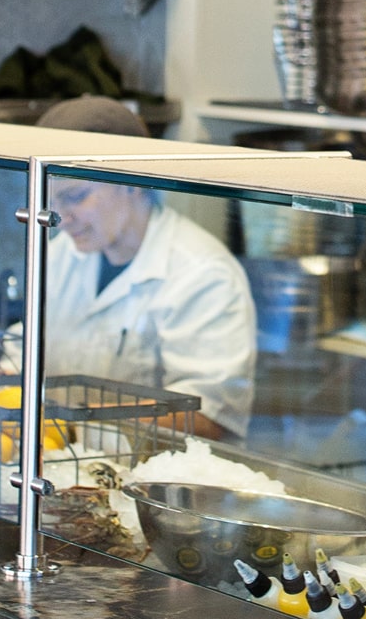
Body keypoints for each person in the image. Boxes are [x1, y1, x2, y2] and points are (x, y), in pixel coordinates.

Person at [34, 96, 255, 440]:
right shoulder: (62, 253)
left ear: (132, 181)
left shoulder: (203, 274)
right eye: (50, 200)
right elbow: (28, 348)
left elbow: (211, 419)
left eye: (75, 197)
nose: (61, 217)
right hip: (68, 461)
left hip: (160, 473)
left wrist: (77, 424)